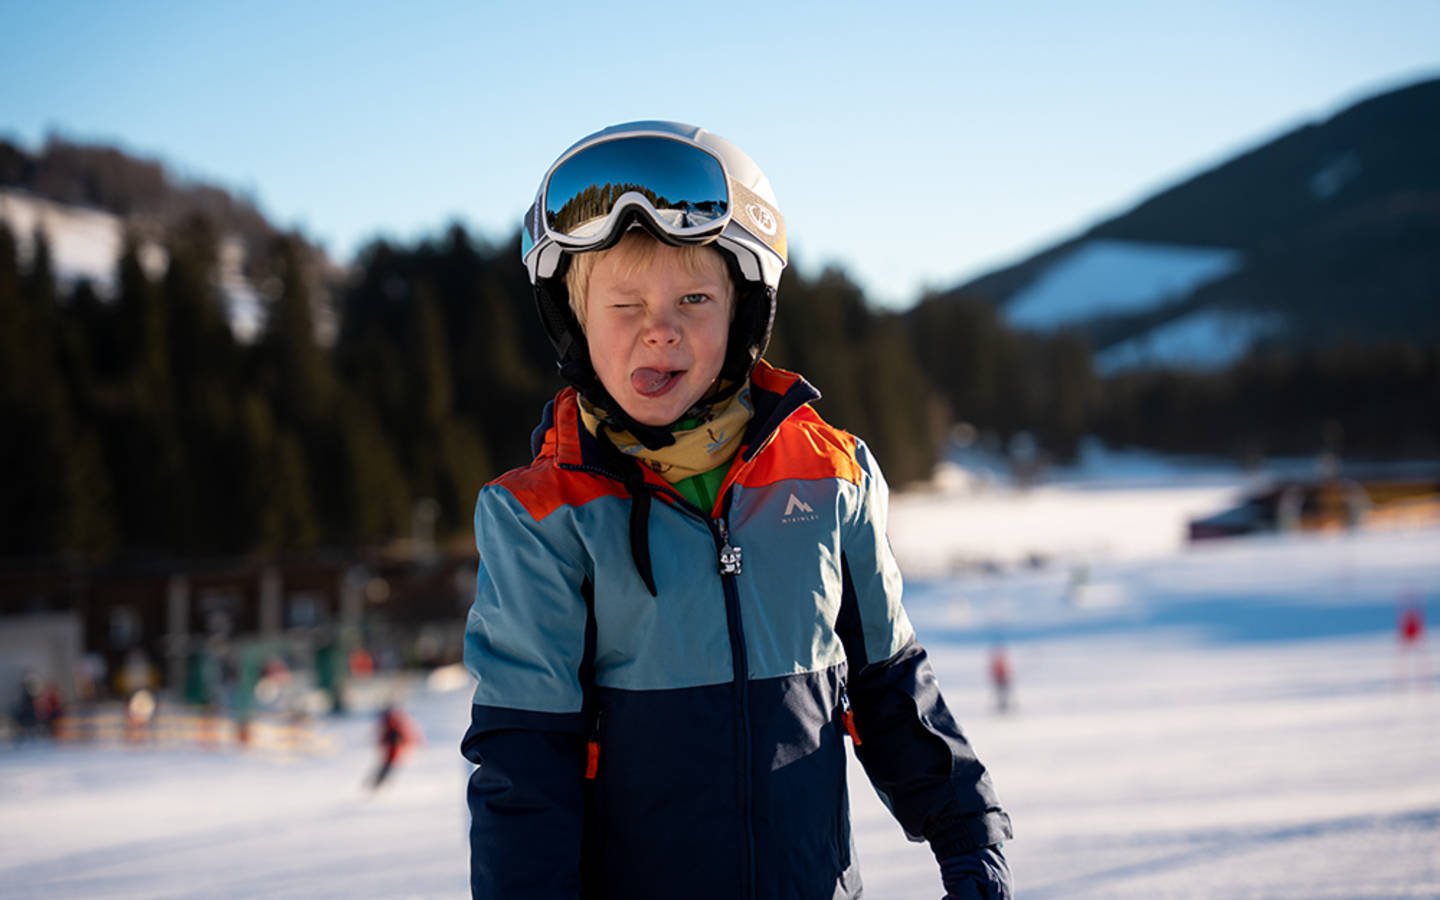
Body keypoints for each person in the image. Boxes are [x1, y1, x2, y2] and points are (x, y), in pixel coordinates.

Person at [462, 121, 1012, 900]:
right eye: (624, 303)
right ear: (577, 324)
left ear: (743, 312)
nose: (661, 327)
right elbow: (526, 771)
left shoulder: (833, 478)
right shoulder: (544, 519)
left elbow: (893, 691)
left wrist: (969, 835)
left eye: (695, 298)